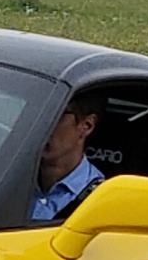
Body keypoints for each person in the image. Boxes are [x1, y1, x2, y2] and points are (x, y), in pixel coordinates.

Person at [29, 92, 106, 222]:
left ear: (86, 126)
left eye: (56, 115)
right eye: (37, 114)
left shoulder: (101, 199)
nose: (41, 125)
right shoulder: (7, 180)